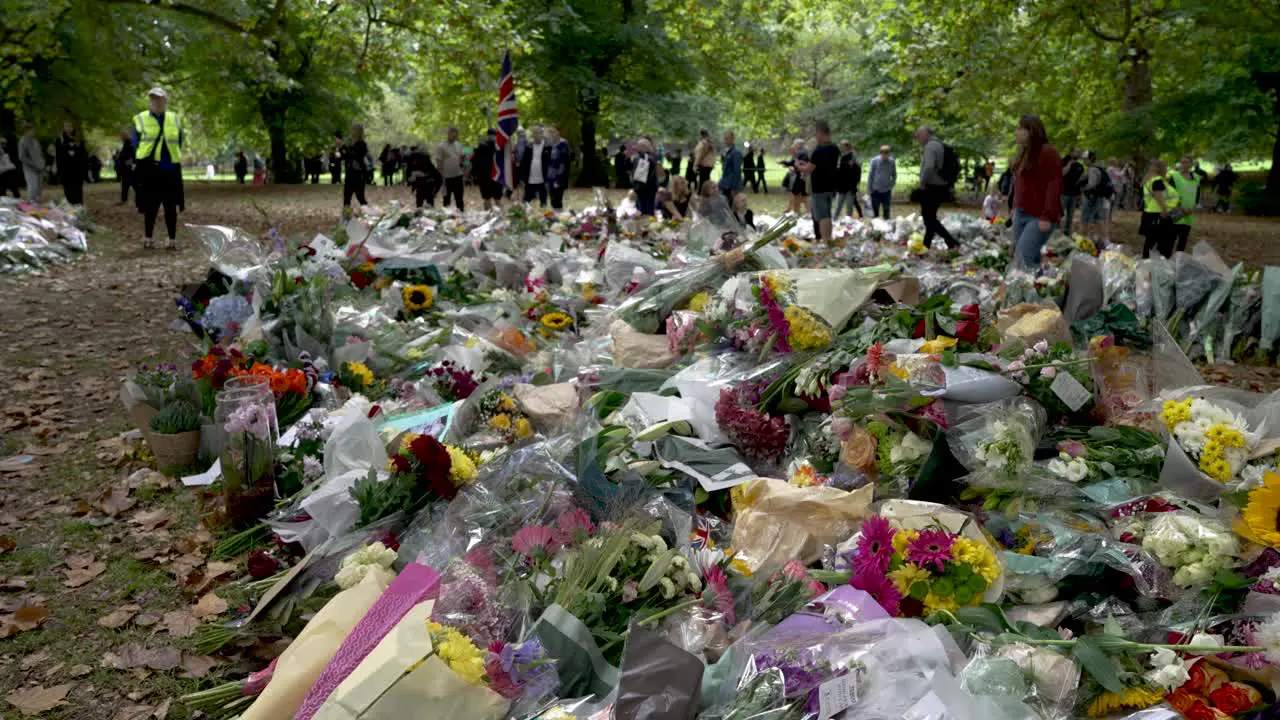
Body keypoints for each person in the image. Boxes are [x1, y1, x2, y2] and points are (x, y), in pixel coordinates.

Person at [131, 87, 186, 249]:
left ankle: (172, 240)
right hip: (150, 169)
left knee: (171, 206)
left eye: (159, 99)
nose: (156, 102)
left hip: (170, 169)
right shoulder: (141, 118)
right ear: (150, 101)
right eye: (153, 99)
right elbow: (136, 143)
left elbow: (179, 140)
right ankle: (148, 238)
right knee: (150, 205)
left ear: (165, 101)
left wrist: (171, 157)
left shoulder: (174, 118)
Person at [1008, 115, 1063, 267]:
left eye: (1020, 128)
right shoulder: (1023, 153)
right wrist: (1014, 208)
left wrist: (1047, 216)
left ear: (1031, 131)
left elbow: (1054, 184)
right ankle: (1037, 287)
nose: (1016, 132)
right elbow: (1019, 185)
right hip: (1021, 213)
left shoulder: (1048, 152)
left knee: (1023, 259)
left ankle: (1026, 288)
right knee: (1028, 259)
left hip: (1039, 216)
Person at [915, 126, 959, 250]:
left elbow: (929, 167)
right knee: (930, 217)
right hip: (941, 185)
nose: (917, 139)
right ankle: (926, 245)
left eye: (918, 136)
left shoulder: (930, 147)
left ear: (925, 134)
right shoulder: (939, 144)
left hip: (933, 187)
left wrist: (922, 182)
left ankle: (951, 241)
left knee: (928, 218)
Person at [800, 121, 840, 242]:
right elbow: (823, 165)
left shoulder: (819, 151)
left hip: (819, 187)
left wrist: (799, 166)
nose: (816, 137)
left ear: (821, 133)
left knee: (823, 217)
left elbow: (809, 169)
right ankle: (828, 239)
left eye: (816, 134)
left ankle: (825, 241)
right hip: (831, 186)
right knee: (827, 215)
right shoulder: (835, 148)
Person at [1139, 159, 1175, 258]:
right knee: (1163, 242)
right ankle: (1160, 262)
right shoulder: (1157, 180)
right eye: (1165, 167)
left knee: (1150, 242)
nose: (1167, 169)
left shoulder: (1149, 179)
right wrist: (1165, 209)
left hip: (1149, 213)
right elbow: (1158, 196)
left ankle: (1146, 262)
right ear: (1161, 168)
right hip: (1158, 214)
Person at [1169, 155, 1200, 253]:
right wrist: (1180, 208)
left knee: (1183, 240)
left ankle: (1178, 261)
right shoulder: (1174, 176)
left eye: (1186, 162)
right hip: (1176, 211)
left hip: (1189, 214)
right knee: (1170, 239)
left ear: (1191, 164)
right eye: (1182, 162)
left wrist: (1194, 206)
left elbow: (1197, 194)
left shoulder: (1196, 178)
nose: (1184, 164)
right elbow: (1169, 194)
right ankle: (1166, 260)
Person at [1079, 151, 1109, 245]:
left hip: (1092, 197)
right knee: (1098, 218)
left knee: (1085, 218)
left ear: (1089, 159)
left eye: (1084, 159)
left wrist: (1084, 188)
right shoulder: (1099, 167)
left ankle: (1083, 239)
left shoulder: (1092, 169)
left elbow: (1092, 183)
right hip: (1099, 196)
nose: (1083, 161)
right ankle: (1104, 240)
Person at [518, 125, 551, 207]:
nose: (538, 135)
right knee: (526, 202)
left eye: (540, 133)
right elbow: (523, 163)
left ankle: (544, 219)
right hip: (530, 180)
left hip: (543, 180)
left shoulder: (547, 147)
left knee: (543, 203)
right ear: (533, 135)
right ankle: (525, 218)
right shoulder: (529, 146)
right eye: (536, 133)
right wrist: (521, 178)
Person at [436, 127, 466, 211]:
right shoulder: (441, 146)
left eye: (455, 135)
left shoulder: (459, 145)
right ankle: (447, 219)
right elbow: (438, 161)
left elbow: (463, 160)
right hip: (446, 177)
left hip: (458, 176)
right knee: (446, 200)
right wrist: (440, 176)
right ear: (448, 134)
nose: (453, 136)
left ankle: (461, 216)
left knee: (459, 200)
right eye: (452, 134)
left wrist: (464, 162)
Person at [404, 145, 441, 209]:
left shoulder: (425, 160)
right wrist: (410, 179)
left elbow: (437, 177)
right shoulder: (412, 160)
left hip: (428, 185)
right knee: (421, 205)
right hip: (421, 186)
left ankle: (425, 212)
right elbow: (409, 176)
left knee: (426, 204)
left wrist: (435, 191)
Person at [341, 123, 369, 209]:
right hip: (350, 172)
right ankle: (346, 215)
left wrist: (344, 147)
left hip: (359, 173)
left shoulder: (362, 144)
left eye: (353, 130)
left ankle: (367, 211)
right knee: (347, 194)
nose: (351, 132)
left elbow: (356, 155)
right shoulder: (351, 144)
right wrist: (341, 149)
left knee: (359, 195)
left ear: (357, 132)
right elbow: (346, 157)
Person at [834, 140, 863, 219]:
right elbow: (838, 170)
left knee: (849, 207)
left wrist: (856, 183)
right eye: (841, 146)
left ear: (847, 146)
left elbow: (856, 169)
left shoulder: (853, 156)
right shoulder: (840, 156)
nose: (842, 148)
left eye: (843, 146)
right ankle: (834, 220)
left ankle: (848, 222)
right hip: (841, 185)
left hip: (850, 185)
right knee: (838, 205)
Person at [630, 138, 659, 215]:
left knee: (642, 209)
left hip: (641, 187)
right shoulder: (653, 157)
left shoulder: (639, 158)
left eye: (638, 145)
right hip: (651, 186)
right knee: (650, 208)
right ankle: (651, 224)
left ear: (643, 147)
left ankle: (645, 224)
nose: (636, 147)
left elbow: (634, 172)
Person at [1060, 147, 1084, 236]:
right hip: (1063, 193)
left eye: (1079, 152)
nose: (1078, 154)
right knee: (1060, 214)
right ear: (1071, 152)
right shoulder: (1063, 161)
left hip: (1074, 194)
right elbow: (1062, 173)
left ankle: (1067, 232)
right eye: (1077, 152)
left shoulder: (1080, 166)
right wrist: (1070, 163)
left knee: (1070, 215)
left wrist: (1080, 195)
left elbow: (1080, 181)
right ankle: (1056, 231)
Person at [867, 145, 896, 219]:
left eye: (887, 154)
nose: (885, 156)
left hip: (886, 190)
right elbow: (871, 175)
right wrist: (869, 189)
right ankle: (876, 226)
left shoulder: (892, 161)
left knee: (886, 210)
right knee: (875, 211)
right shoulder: (874, 161)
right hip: (875, 190)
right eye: (884, 154)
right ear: (881, 153)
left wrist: (891, 185)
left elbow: (894, 175)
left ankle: (886, 226)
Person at [18, 123, 45, 203]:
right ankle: (31, 204)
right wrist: (33, 164)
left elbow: (40, 153)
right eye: (32, 130)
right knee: (33, 187)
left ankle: (37, 203)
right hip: (29, 169)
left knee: (39, 188)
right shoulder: (22, 142)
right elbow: (22, 157)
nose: (34, 131)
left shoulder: (35, 141)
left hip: (39, 167)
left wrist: (42, 163)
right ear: (26, 131)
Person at [782, 139, 808, 215]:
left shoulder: (801, 152)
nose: (794, 146)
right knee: (800, 194)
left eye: (795, 144)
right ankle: (797, 211)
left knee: (797, 194)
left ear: (799, 145)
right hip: (800, 175)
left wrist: (787, 163)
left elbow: (797, 163)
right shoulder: (803, 152)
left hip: (800, 175)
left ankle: (797, 211)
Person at [547, 127, 571, 210]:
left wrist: (558, 180)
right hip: (550, 177)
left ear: (559, 132)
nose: (552, 134)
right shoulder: (550, 145)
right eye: (551, 132)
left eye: (554, 132)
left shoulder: (563, 145)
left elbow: (563, 164)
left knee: (557, 200)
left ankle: (560, 219)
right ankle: (555, 220)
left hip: (558, 177)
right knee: (552, 200)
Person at [718, 130, 743, 201]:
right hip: (724, 184)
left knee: (731, 207)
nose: (725, 140)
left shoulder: (736, 152)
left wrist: (734, 188)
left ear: (733, 139)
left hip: (731, 186)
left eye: (727, 138)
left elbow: (737, 171)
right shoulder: (727, 151)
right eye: (724, 138)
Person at [115, 130, 136, 204]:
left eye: (122, 136)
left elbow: (132, 154)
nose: (121, 137)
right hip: (125, 168)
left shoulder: (130, 143)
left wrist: (130, 162)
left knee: (134, 184)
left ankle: (141, 201)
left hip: (129, 168)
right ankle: (124, 200)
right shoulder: (125, 144)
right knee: (125, 185)